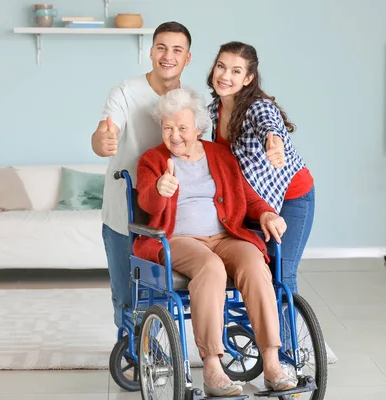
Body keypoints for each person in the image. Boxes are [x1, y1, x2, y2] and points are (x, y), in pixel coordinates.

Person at [134, 87, 298, 396]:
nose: (175, 135)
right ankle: (212, 368)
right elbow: (147, 201)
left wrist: (265, 214)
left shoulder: (220, 155)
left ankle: (272, 363)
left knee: (254, 261)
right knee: (210, 268)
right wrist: (160, 188)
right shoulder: (153, 160)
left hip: (225, 235)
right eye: (168, 127)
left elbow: (246, 197)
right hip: (179, 239)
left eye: (182, 127)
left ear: (198, 127)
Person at [90, 21, 193, 328]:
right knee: (127, 296)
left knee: (163, 294)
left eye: (177, 49)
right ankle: (131, 352)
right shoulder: (125, 92)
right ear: (150, 52)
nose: (168, 56)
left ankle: (157, 353)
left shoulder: (190, 102)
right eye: (161, 47)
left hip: (170, 216)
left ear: (187, 58)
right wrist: (102, 141)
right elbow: (104, 132)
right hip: (126, 213)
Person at [205, 41, 315, 297]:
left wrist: (274, 143)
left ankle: (285, 339)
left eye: (235, 71)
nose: (224, 75)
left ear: (248, 78)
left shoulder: (258, 106)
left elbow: (270, 124)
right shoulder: (214, 110)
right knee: (255, 271)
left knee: (282, 274)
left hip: (292, 196)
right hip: (254, 200)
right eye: (221, 66)